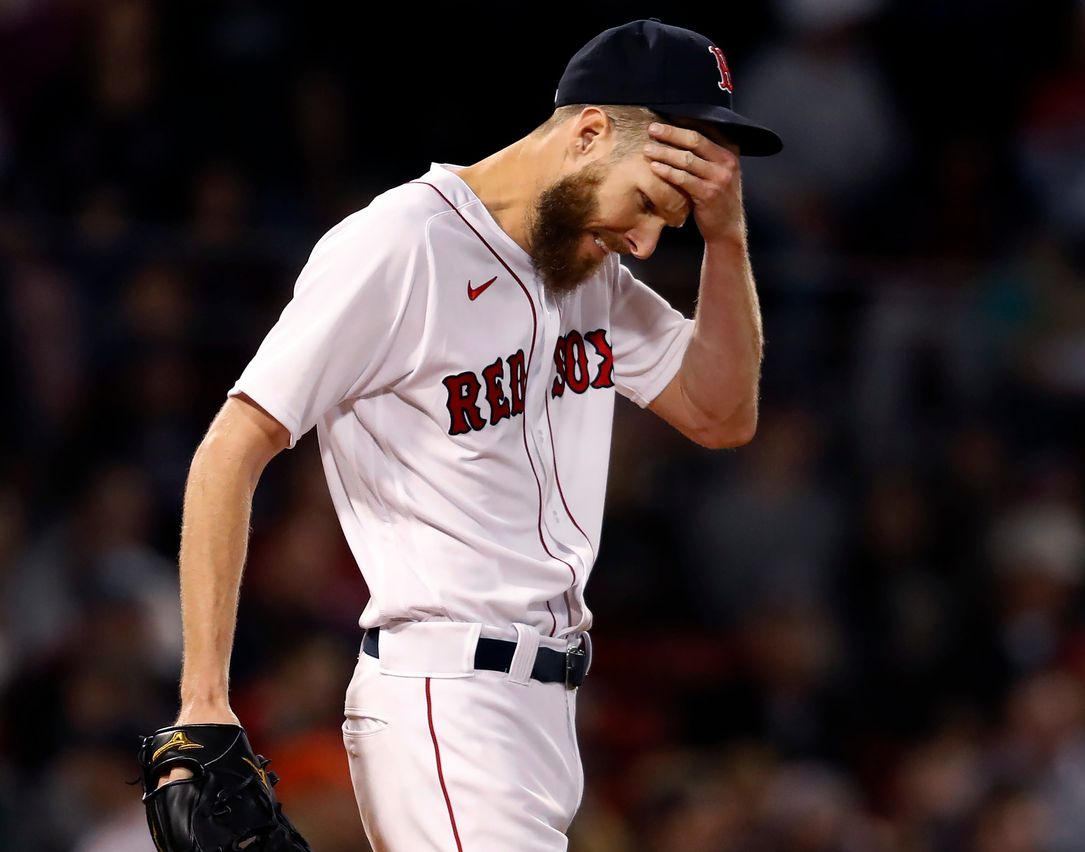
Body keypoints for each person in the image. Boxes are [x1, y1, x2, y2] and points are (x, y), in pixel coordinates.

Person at [159, 18, 782, 851]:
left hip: (545, 713)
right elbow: (230, 449)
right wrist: (204, 697)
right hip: (446, 696)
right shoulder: (400, 245)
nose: (643, 241)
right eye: (646, 205)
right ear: (590, 132)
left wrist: (727, 238)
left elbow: (721, 412)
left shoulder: (583, 264)